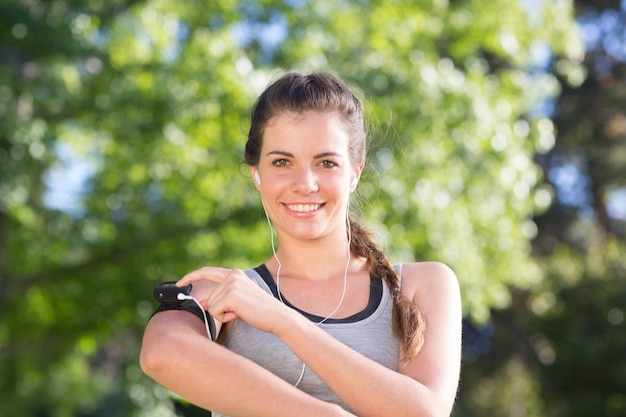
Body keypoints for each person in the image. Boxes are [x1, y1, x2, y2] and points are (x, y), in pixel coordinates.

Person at [140, 71, 462, 417]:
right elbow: (161, 353)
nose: (304, 183)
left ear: (355, 173)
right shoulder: (224, 293)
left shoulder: (422, 285)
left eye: (326, 163)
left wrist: (284, 322)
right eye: (282, 161)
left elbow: (425, 413)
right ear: (256, 174)